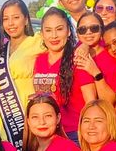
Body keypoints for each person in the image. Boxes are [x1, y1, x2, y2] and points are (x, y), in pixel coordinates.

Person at [0, 0, 43, 151]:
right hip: (2, 115)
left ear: (26, 19)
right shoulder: (0, 51)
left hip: (26, 110)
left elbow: (62, 43)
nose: (10, 23)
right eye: (6, 19)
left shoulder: (38, 42)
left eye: (16, 17)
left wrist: (84, 46)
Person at [32, 8, 96, 140]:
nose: (54, 36)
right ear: (42, 34)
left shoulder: (77, 59)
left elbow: (91, 102)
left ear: (68, 31)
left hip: (73, 133)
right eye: (48, 30)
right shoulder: (39, 60)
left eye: (59, 29)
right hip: (46, 133)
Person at [73, 12, 116, 104]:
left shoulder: (111, 55)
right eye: (82, 30)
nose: (88, 32)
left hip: (97, 111)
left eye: (94, 28)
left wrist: (95, 72)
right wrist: (84, 45)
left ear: (102, 30)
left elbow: (109, 101)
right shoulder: (72, 54)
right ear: (77, 33)